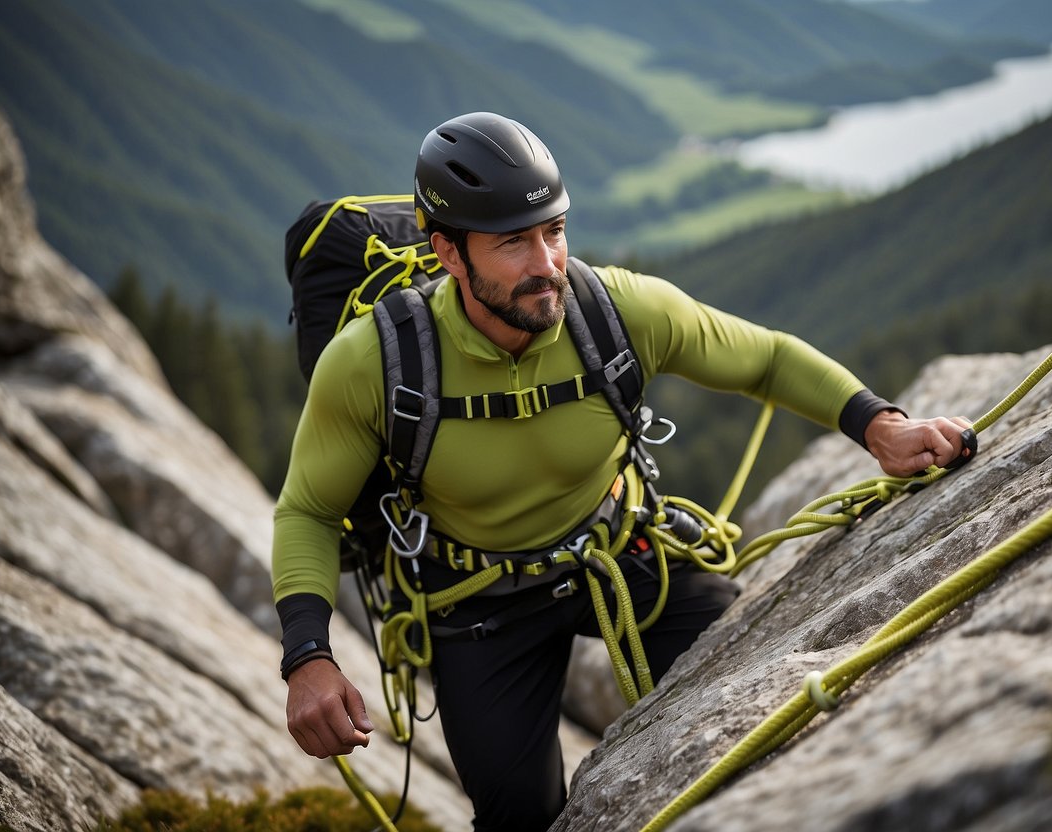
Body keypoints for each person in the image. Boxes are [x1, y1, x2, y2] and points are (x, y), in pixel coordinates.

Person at [272, 111, 973, 831]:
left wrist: (881, 426)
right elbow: (308, 511)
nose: (545, 263)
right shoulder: (373, 362)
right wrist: (307, 656)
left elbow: (763, 357)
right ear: (448, 253)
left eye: (553, 230)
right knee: (518, 820)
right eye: (512, 242)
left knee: (771, 703)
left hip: (624, 553)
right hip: (479, 602)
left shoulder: (612, 311)